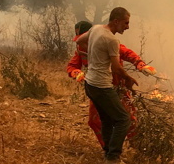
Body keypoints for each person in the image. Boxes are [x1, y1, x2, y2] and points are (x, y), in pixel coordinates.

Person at [66, 20, 156, 150]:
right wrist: (76, 73)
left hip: (117, 86)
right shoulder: (81, 48)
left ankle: (139, 147)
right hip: (99, 87)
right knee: (95, 121)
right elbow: (72, 66)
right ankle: (108, 149)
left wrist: (141, 65)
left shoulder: (106, 41)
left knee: (128, 118)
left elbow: (126, 53)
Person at [77, 7, 139, 164]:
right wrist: (128, 78)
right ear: (116, 21)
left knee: (106, 119)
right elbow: (116, 68)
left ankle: (108, 153)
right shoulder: (112, 40)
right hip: (101, 86)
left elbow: (79, 41)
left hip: (89, 83)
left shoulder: (96, 28)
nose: (127, 27)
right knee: (123, 119)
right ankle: (113, 157)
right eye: (126, 23)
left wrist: (92, 57)